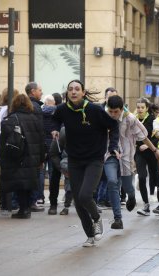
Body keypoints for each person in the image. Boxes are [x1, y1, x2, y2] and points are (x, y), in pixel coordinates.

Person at [52, 80, 119, 247]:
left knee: (85, 195)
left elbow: (114, 125)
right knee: (78, 200)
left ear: (83, 92)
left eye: (77, 89)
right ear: (67, 93)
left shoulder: (94, 110)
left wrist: (112, 147)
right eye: (70, 89)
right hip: (75, 159)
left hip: (94, 159)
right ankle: (90, 235)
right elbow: (54, 120)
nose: (73, 92)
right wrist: (54, 129)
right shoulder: (62, 110)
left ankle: (97, 217)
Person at [105, 95, 159, 229]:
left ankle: (131, 196)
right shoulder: (104, 116)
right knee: (112, 182)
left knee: (128, 187)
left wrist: (155, 150)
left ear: (121, 109)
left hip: (126, 157)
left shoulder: (130, 119)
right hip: (110, 155)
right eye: (110, 111)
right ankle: (117, 218)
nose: (113, 115)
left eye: (116, 112)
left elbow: (144, 137)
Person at [0, 94, 45, 219]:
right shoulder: (35, 119)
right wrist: (41, 159)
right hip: (32, 156)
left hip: (17, 157)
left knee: (19, 184)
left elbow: (4, 142)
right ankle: (27, 208)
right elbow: (42, 141)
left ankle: (23, 209)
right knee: (28, 183)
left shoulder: (11, 119)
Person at [135, 98, 159, 216]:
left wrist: (147, 145)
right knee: (142, 176)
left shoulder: (152, 120)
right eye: (138, 107)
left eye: (142, 107)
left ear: (146, 108)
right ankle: (146, 205)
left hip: (152, 152)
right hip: (139, 153)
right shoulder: (133, 119)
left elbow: (156, 138)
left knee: (155, 177)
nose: (140, 110)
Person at [25, 82, 45, 212]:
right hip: (34, 147)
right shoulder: (36, 107)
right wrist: (42, 154)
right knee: (34, 175)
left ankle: (26, 202)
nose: (41, 92)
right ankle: (32, 201)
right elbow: (40, 131)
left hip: (25, 146)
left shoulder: (23, 105)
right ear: (33, 91)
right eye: (39, 90)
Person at [0, 88, 19, 213]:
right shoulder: (8, 110)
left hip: (1, 144)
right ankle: (9, 202)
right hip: (7, 144)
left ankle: (4, 201)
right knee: (9, 175)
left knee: (3, 175)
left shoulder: (1, 109)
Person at [49, 127, 73, 215]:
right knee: (55, 178)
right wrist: (62, 169)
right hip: (60, 156)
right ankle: (53, 204)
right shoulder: (64, 132)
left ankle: (88, 204)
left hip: (76, 157)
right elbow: (53, 153)